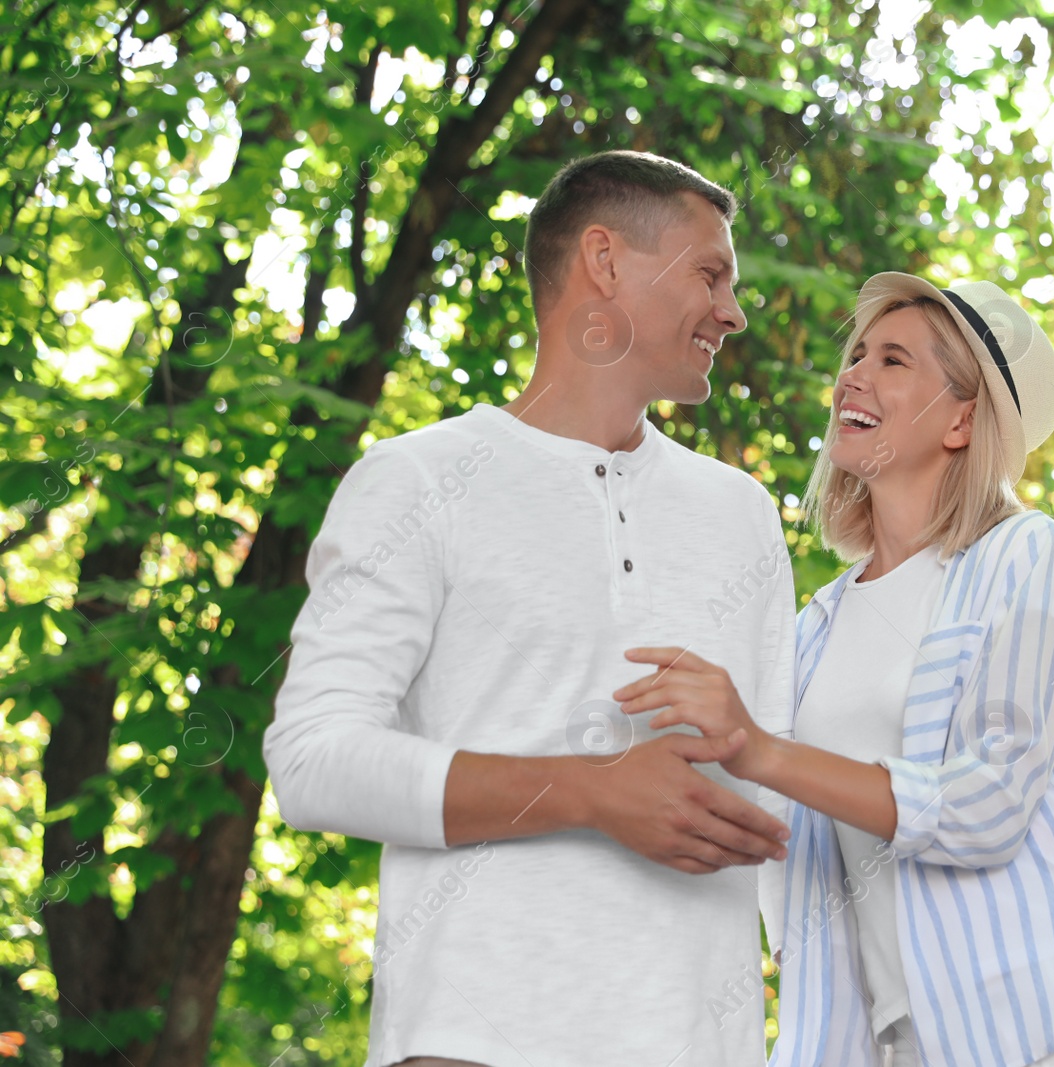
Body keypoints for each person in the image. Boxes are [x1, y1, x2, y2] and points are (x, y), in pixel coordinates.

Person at [614, 273, 1054, 1066]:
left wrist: (761, 749)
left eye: (892, 360)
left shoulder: (1024, 555)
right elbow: (779, 854)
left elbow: (987, 804)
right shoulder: (812, 631)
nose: (852, 373)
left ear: (961, 417)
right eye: (855, 354)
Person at [262, 150, 797, 1067]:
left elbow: (778, 802)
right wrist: (589, 791)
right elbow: (313, 759)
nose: (733, 311)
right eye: (711, 273)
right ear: (606, 260)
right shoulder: (415, 481)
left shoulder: (741, 515)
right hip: (475, 1041)